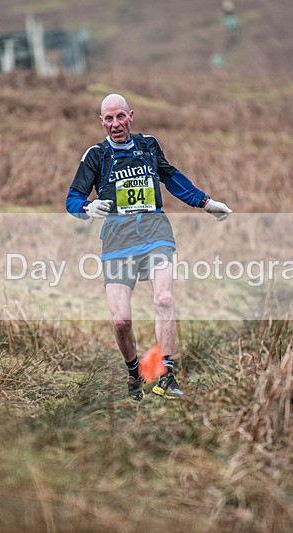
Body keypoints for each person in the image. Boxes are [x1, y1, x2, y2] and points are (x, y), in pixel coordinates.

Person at [65, 94, 232, 401]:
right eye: (109, 119)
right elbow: (72, 200)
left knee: (165, 299)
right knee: (120, 321)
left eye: (120, 117)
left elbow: (171, 177)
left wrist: (206, 203)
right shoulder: (95, 155)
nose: (115, 124)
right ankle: (134, 376)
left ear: (131, 116)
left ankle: (166, 376)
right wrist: (88, 208)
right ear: (101, 122)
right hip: (117, 240)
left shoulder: (149, 146)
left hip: (155, 232)